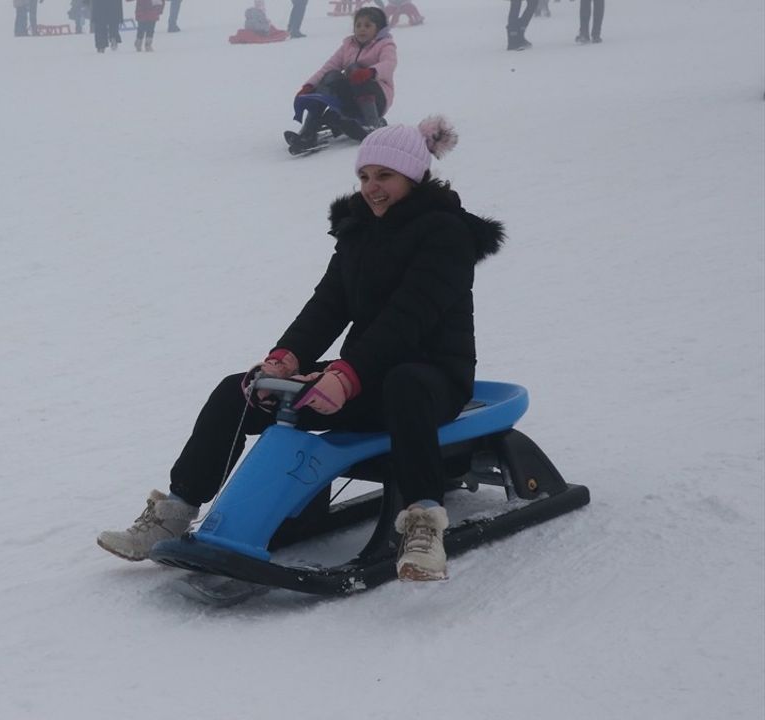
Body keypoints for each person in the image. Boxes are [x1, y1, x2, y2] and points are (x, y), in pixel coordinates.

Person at [97, 117, 505, 583]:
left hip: (432, 379)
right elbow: (328, 306)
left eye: (385, 177)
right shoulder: (360, 232)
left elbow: (406, 321)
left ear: (414, 176)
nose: (372, 188)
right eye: (365, 176)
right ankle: (176, 509)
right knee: (240, 390)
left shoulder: (446, 235)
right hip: (366, 375)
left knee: (404, 383)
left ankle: (423, 525)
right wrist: (286, 359)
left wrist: (345, 376)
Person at [286, 6, 396, 153]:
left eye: (367, 25)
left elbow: (389, 64)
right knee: (331, 75)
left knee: (354, 69)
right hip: (352, 97)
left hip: (376, 99)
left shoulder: (385, 45)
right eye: (358, 25)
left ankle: (372, 125)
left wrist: (370, 72)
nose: (362, 29)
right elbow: (327, 67)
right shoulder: (348, 45)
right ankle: (309, 131)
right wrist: (309, 86)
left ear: (379, 29)